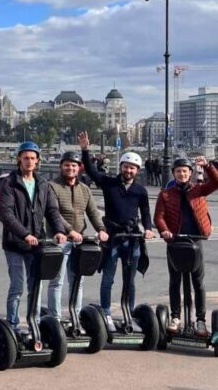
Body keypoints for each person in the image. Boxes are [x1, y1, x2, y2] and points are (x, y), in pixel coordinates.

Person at [78, 131, 155, 331]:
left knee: (130, 280)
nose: (128, 170)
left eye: (132, 168)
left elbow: (146, 213)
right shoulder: (110, 183)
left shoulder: (140, 191)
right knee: (108, 279)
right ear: (120, 167)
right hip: (113, 237)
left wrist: (148, 229)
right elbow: (92, 172)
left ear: (137, 170)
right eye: (126, 166)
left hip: (132, 238)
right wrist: (85, 150)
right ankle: (106, 313)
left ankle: (128, 313)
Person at [0, 141, 67, 332]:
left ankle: (33, 323)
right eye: (26, 157)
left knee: (35, 285)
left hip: (37, 243)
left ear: (38, 161)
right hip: (14, 243)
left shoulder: (43, 183)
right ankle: (12, 325)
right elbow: (6, 213)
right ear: (19, 159)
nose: (29, 161)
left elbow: (52, 210)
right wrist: (25, 234)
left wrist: (60, 230)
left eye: (33, 158)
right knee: (17, 287)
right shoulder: (9, 183)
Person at [154, 157, 218, 337]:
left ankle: (200, 320)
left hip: (195, 241)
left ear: (190, 173)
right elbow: (159, 217)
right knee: (175, 281)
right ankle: (176, 317)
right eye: (178, 171)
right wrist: (165, 231)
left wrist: (207, 166)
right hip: (175, 242)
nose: (182, 174)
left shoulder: (199, 190)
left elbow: (216, 181)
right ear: (174, 173)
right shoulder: (165, 194)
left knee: (198, 282)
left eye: (185, 171)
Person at [46, 151, 109, 320]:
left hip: (80, 240)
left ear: (79, 168)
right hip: (59, 239)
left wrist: (101, 229)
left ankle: (75, 317)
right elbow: (54, 214)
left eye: (73, 165)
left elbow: (93, 212)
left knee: (77, 282)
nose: (70, 168)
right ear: (61, 167)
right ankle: (55, 319)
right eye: (66, 165)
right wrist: (69, 231)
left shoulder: (84, 189)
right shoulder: (52, 186)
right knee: (56, 282)